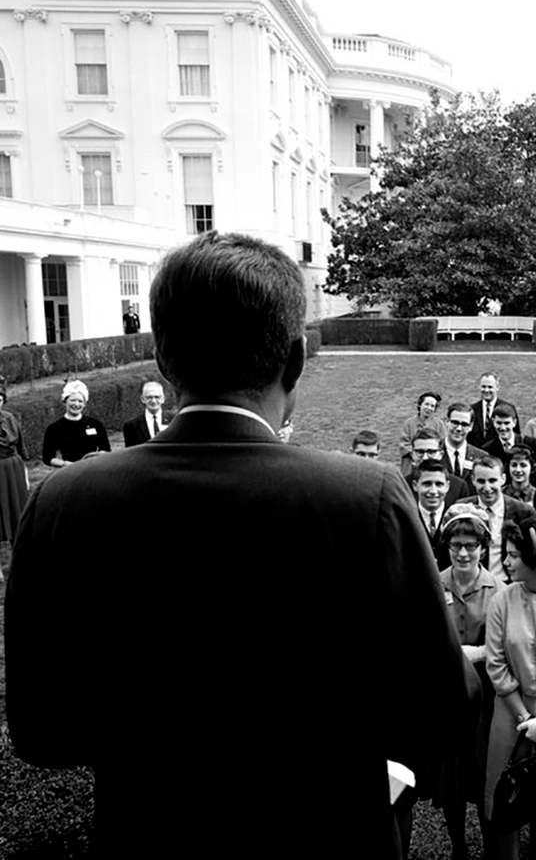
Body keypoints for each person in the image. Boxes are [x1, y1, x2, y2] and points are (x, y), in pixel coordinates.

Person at [6, 231, 470, 859]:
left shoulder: (65, 501)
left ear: (163, 362)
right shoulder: (368, 498)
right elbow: (439, 712)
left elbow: (42, 729)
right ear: (296, 360)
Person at [485, 516, 536, 860]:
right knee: (506, 797)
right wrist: (523, 717)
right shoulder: (502, 600)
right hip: (509, 711)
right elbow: (495, 663)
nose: (505, 561)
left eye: (514, 555)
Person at [434, 504, 503, 860]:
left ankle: (491, 844)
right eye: (455, 544)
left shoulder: (498, 590)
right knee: (454, 778)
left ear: (483, 546)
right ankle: (458, 845)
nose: (462, 552)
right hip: (448, 698)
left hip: (486, 701)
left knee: (485, 774)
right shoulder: (432, 583)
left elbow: (505, 647)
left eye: (470, 545)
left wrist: (474, 653)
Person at [471, 455, 535, 579]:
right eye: (481, 481)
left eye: (492, 481)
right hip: (473, 584)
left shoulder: (523, 512)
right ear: (473, 480)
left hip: (509, 583)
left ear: (503, 479)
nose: (487, 487)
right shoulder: (463, 508)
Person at [41, 379, 111, 466]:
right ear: (65, 401)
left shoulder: (95, 424)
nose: (76, 404)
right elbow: (47, 458)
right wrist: (65, 464)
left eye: (80, 401)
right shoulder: (55, 428)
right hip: (71, 472)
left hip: (93, 470)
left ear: (85, 404)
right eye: (73, 400)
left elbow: (106, 450)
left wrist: (98, 457)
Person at [405, 428, 473, 509]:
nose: (425, 457)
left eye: (431, 452)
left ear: (441, 454)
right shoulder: (402, 486)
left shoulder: (459, 486)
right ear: (412, 454)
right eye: (420, 452)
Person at [0, 385, 29, 568]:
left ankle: (20, 560)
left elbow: (21, 448)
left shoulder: (10, 418)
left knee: (18, 514)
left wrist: (25, 475)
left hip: (14, 470)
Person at [412, 459, 452, 569]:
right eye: (427, 484)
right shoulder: (407, 518)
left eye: (439, 484)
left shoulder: (454, 517)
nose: (433, 491)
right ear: (415, 486)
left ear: (447, 486)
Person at [399, 391, 447, 477]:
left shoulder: (439, 424)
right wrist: (416, 455)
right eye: (426, 404)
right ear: (420, 405)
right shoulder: (408, 423)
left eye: (432, 406)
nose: (429, 408)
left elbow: (443, 443)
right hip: (412, 462)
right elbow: (404, 444)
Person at [469, 373, 520, 448]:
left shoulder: (508, 408)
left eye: (490, 387)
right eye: (483, 386)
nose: (486, 390)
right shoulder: (472, 409)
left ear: (497, 387)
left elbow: (515, 435)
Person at [484, 403, 536, 468]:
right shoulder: (487, 449)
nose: (503, 428)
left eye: (507, 423)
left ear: (514, 422)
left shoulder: (529, 443)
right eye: (499, 423)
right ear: (493, 422)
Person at [445, 403, 489, 481]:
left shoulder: (481, 457)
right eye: (455, 423)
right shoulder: (432, 452)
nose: (459, 428)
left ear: (471, 426)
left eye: (464, 424)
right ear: (447, 421)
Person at [122, 380, 168, 447]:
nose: (153, 401)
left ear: (163, 399)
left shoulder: (174, 420)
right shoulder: (131, 426)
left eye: (157, 397)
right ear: (143, 399)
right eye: (149, 397)